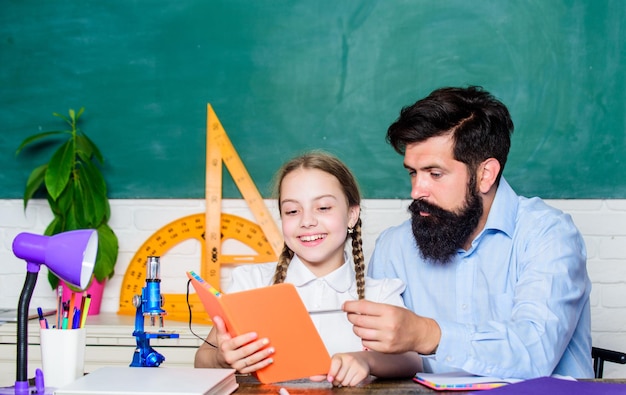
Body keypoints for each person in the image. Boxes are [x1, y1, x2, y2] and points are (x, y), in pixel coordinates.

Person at [343, 86, 593, 379]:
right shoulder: (394, 246)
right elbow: (382, 360)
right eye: (413, 172)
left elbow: (535, 353)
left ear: (485, 175)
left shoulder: (549, 235)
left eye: (435, 174)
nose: (416, 191)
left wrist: (427, 334)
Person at [194, 151, 422, 386]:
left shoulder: (380, 293)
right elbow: (202, 359)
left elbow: (412, 360)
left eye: (323, 208)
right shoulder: (251, 282)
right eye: (292, 211)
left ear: (352, 215)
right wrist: (222, 358)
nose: (306, 221)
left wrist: (366, 360)